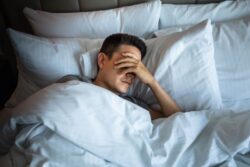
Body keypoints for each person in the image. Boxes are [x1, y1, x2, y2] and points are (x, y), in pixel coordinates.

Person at [57, 33, 181, 120]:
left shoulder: (133, 104)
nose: (131, 73)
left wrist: (151, 81)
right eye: (127, 63)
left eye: (136, 68)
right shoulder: (73, 83)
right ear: (102, 60)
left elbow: (178, 120)